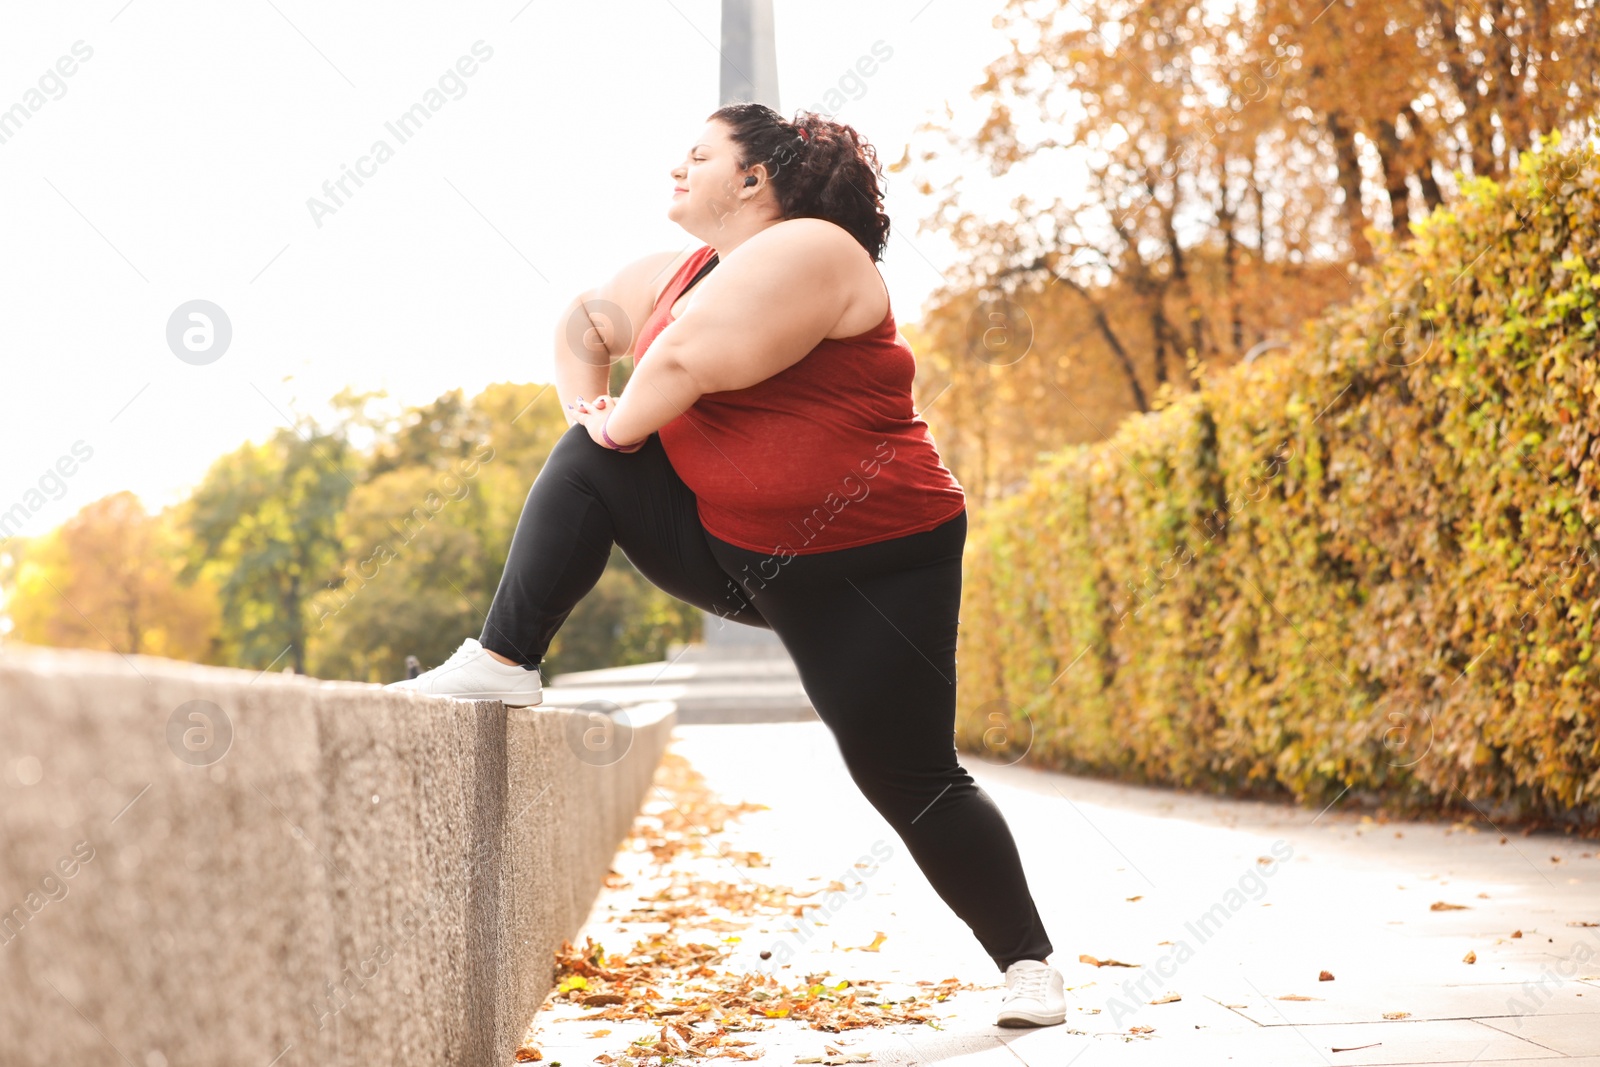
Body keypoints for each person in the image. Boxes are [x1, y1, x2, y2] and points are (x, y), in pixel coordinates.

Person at [386, 102, 1066, 1028]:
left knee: (906, 775)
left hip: (877, 568)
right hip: (739, 553)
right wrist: (593, 416)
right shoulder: (683, 271)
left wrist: (614, 425)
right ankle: (504, 664)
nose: (677, 167)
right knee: (589, 458)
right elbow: (583, 321)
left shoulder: (817, 249)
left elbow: (688, 359)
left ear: (753, 182)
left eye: (699, 155)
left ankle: (1029, 963)